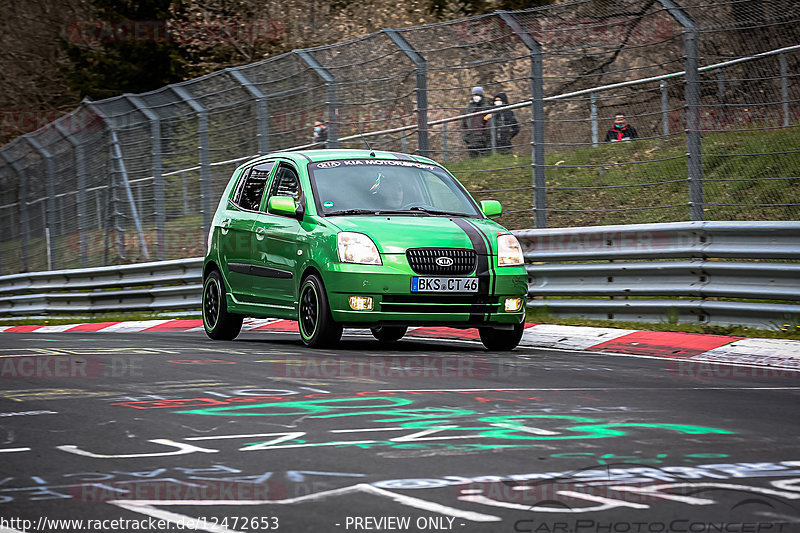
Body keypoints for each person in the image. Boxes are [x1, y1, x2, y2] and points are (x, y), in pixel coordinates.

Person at [461, 86, 491, 158]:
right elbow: (463, 124)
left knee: (485, 159)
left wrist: (486, 136)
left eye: (478, 95)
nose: (476, 96)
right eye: (475, 95)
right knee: (473, 160)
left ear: (481, 96)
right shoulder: (467, 108)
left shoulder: (486, 108)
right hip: (471, 139)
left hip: (483, 139)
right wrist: (466, 137)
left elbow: (488, 123)